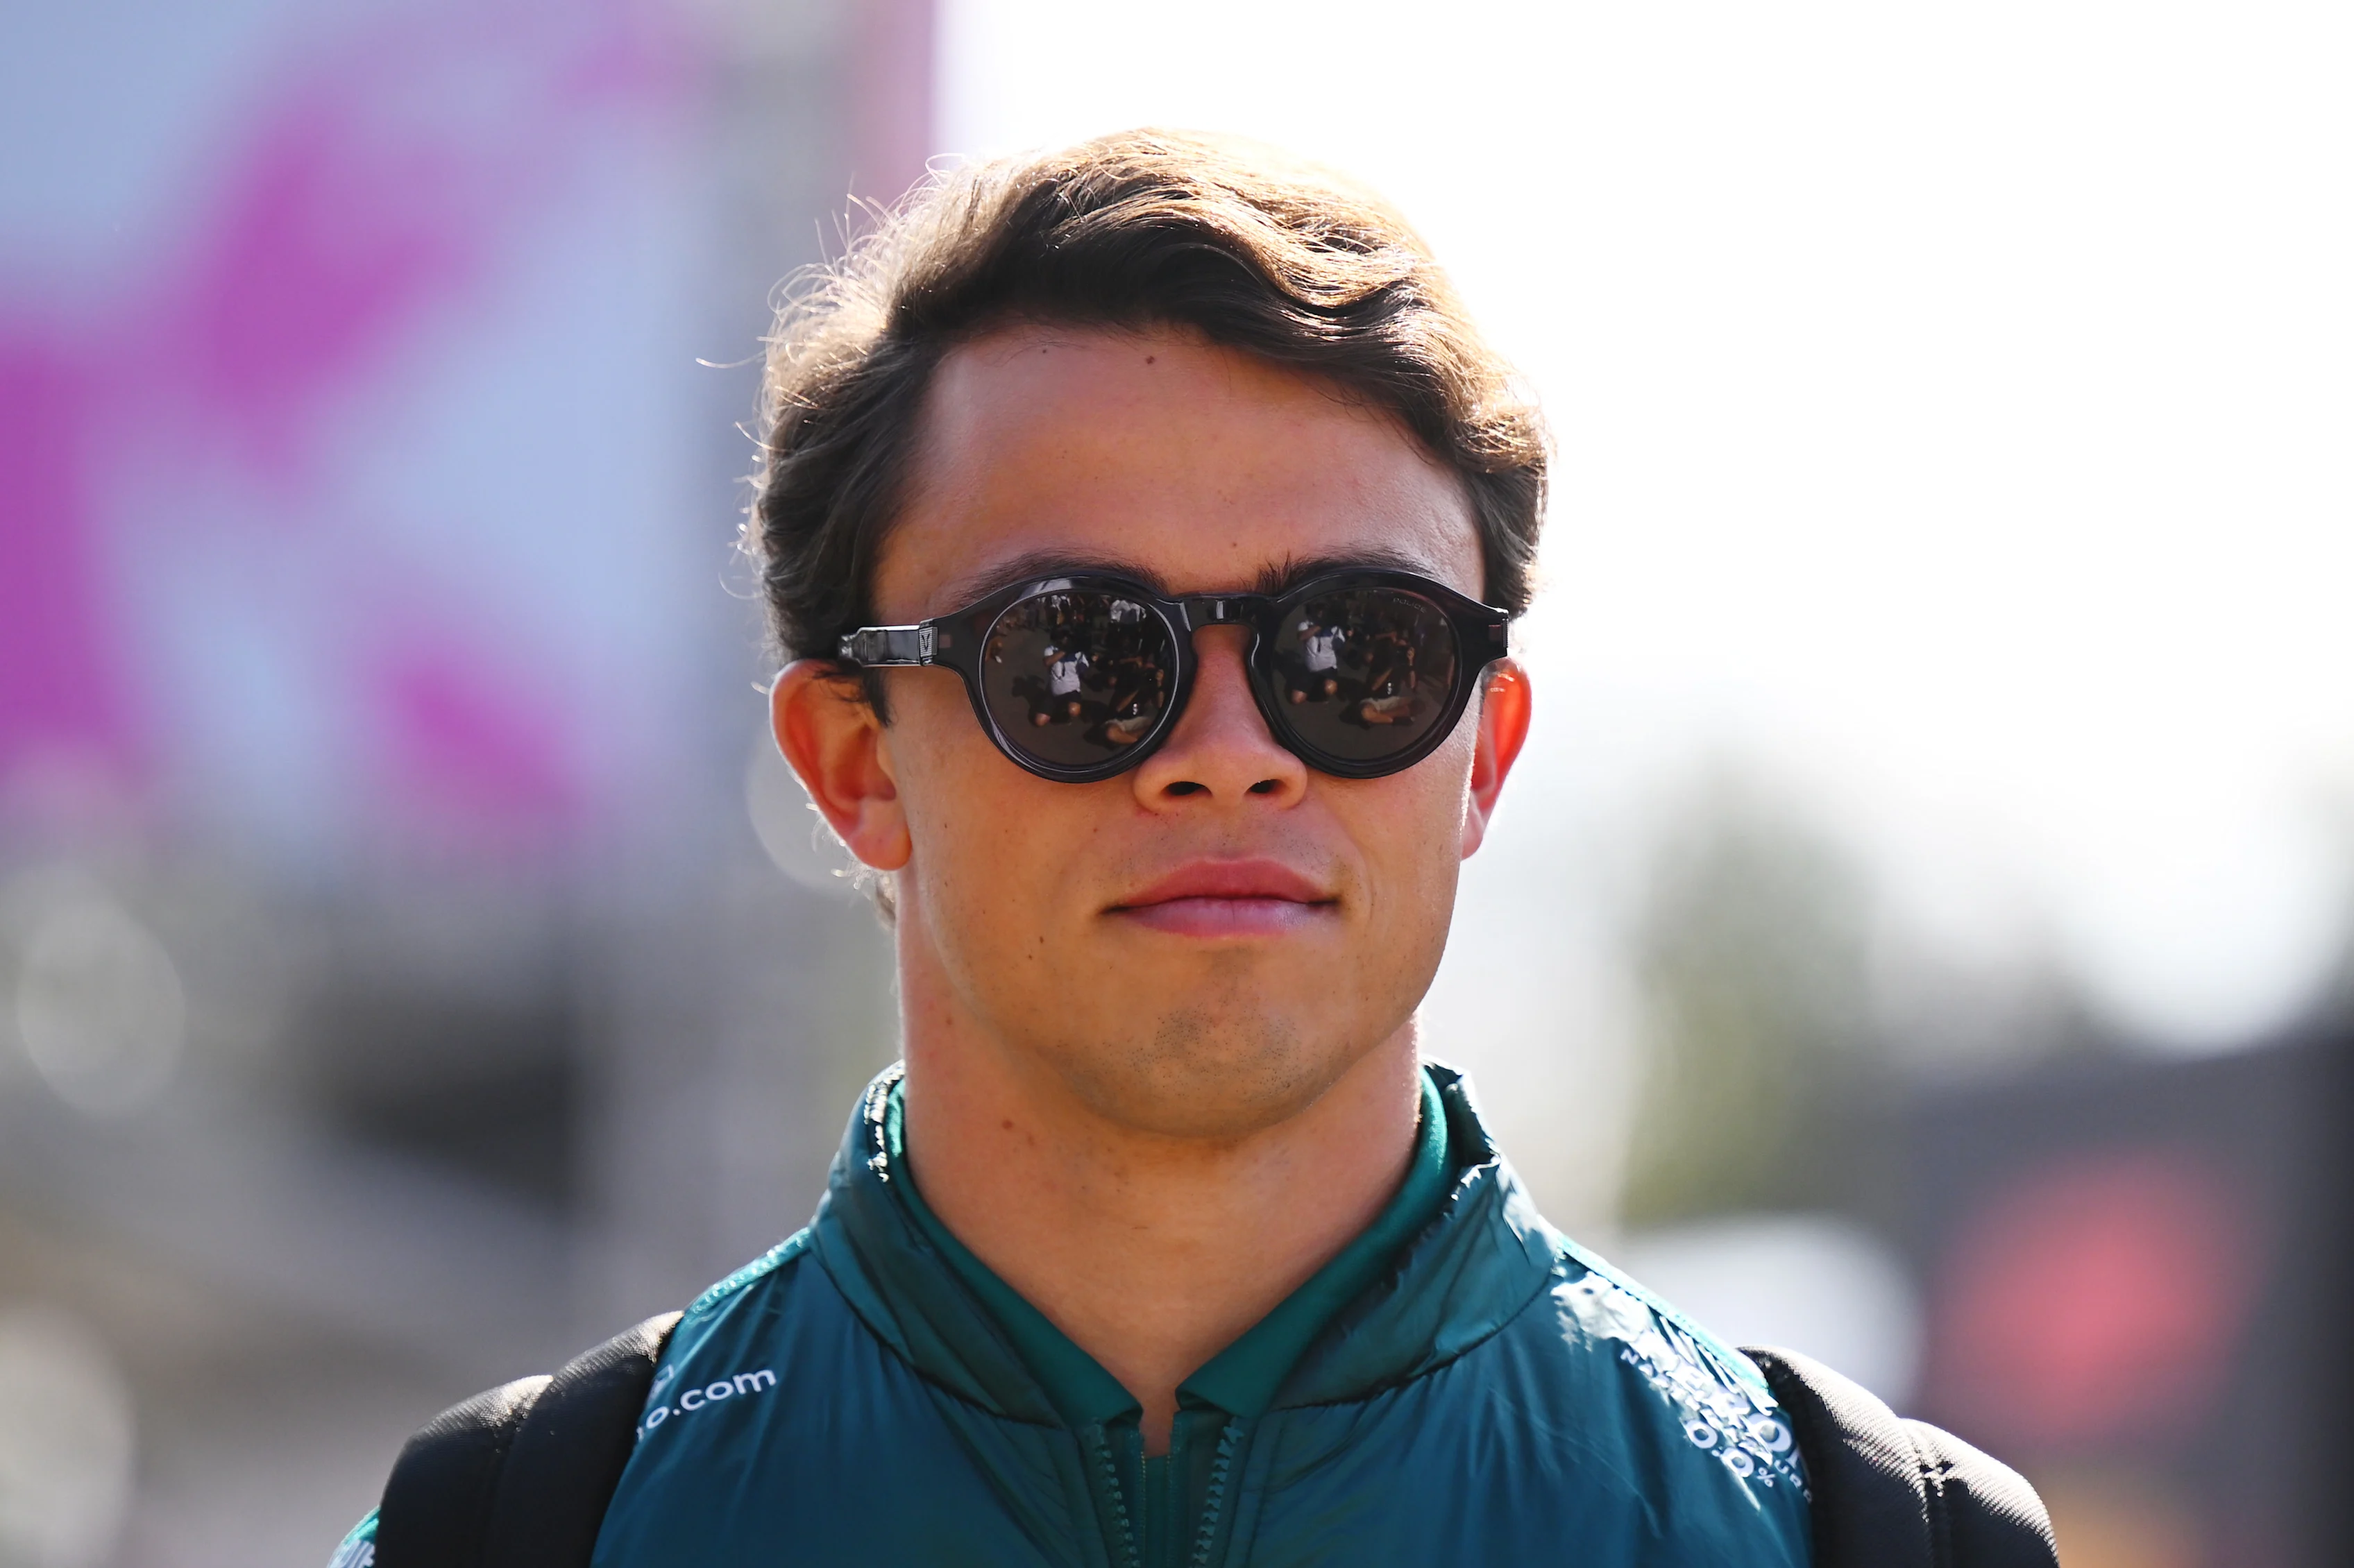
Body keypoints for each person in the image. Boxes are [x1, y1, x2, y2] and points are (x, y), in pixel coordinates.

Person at [334, 130, 2052, 1567]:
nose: (1228, 756)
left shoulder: (1854, 1536)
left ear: (1481, 752)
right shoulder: (512, 1533)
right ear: (852, 759)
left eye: (1358, 654)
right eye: (1081, 655)